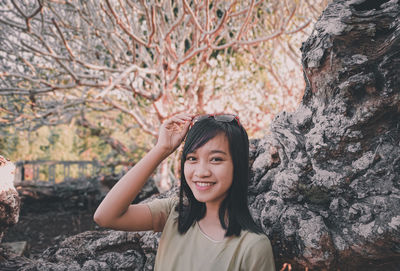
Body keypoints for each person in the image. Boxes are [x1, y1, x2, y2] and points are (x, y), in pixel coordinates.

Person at [94, 113, 275, 270]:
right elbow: (106, 216)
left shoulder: (252, 247)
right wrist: (161, 149)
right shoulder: (174, 214)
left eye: (216, 159)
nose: (201, 172)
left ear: (238, 165)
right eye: (192, 158)